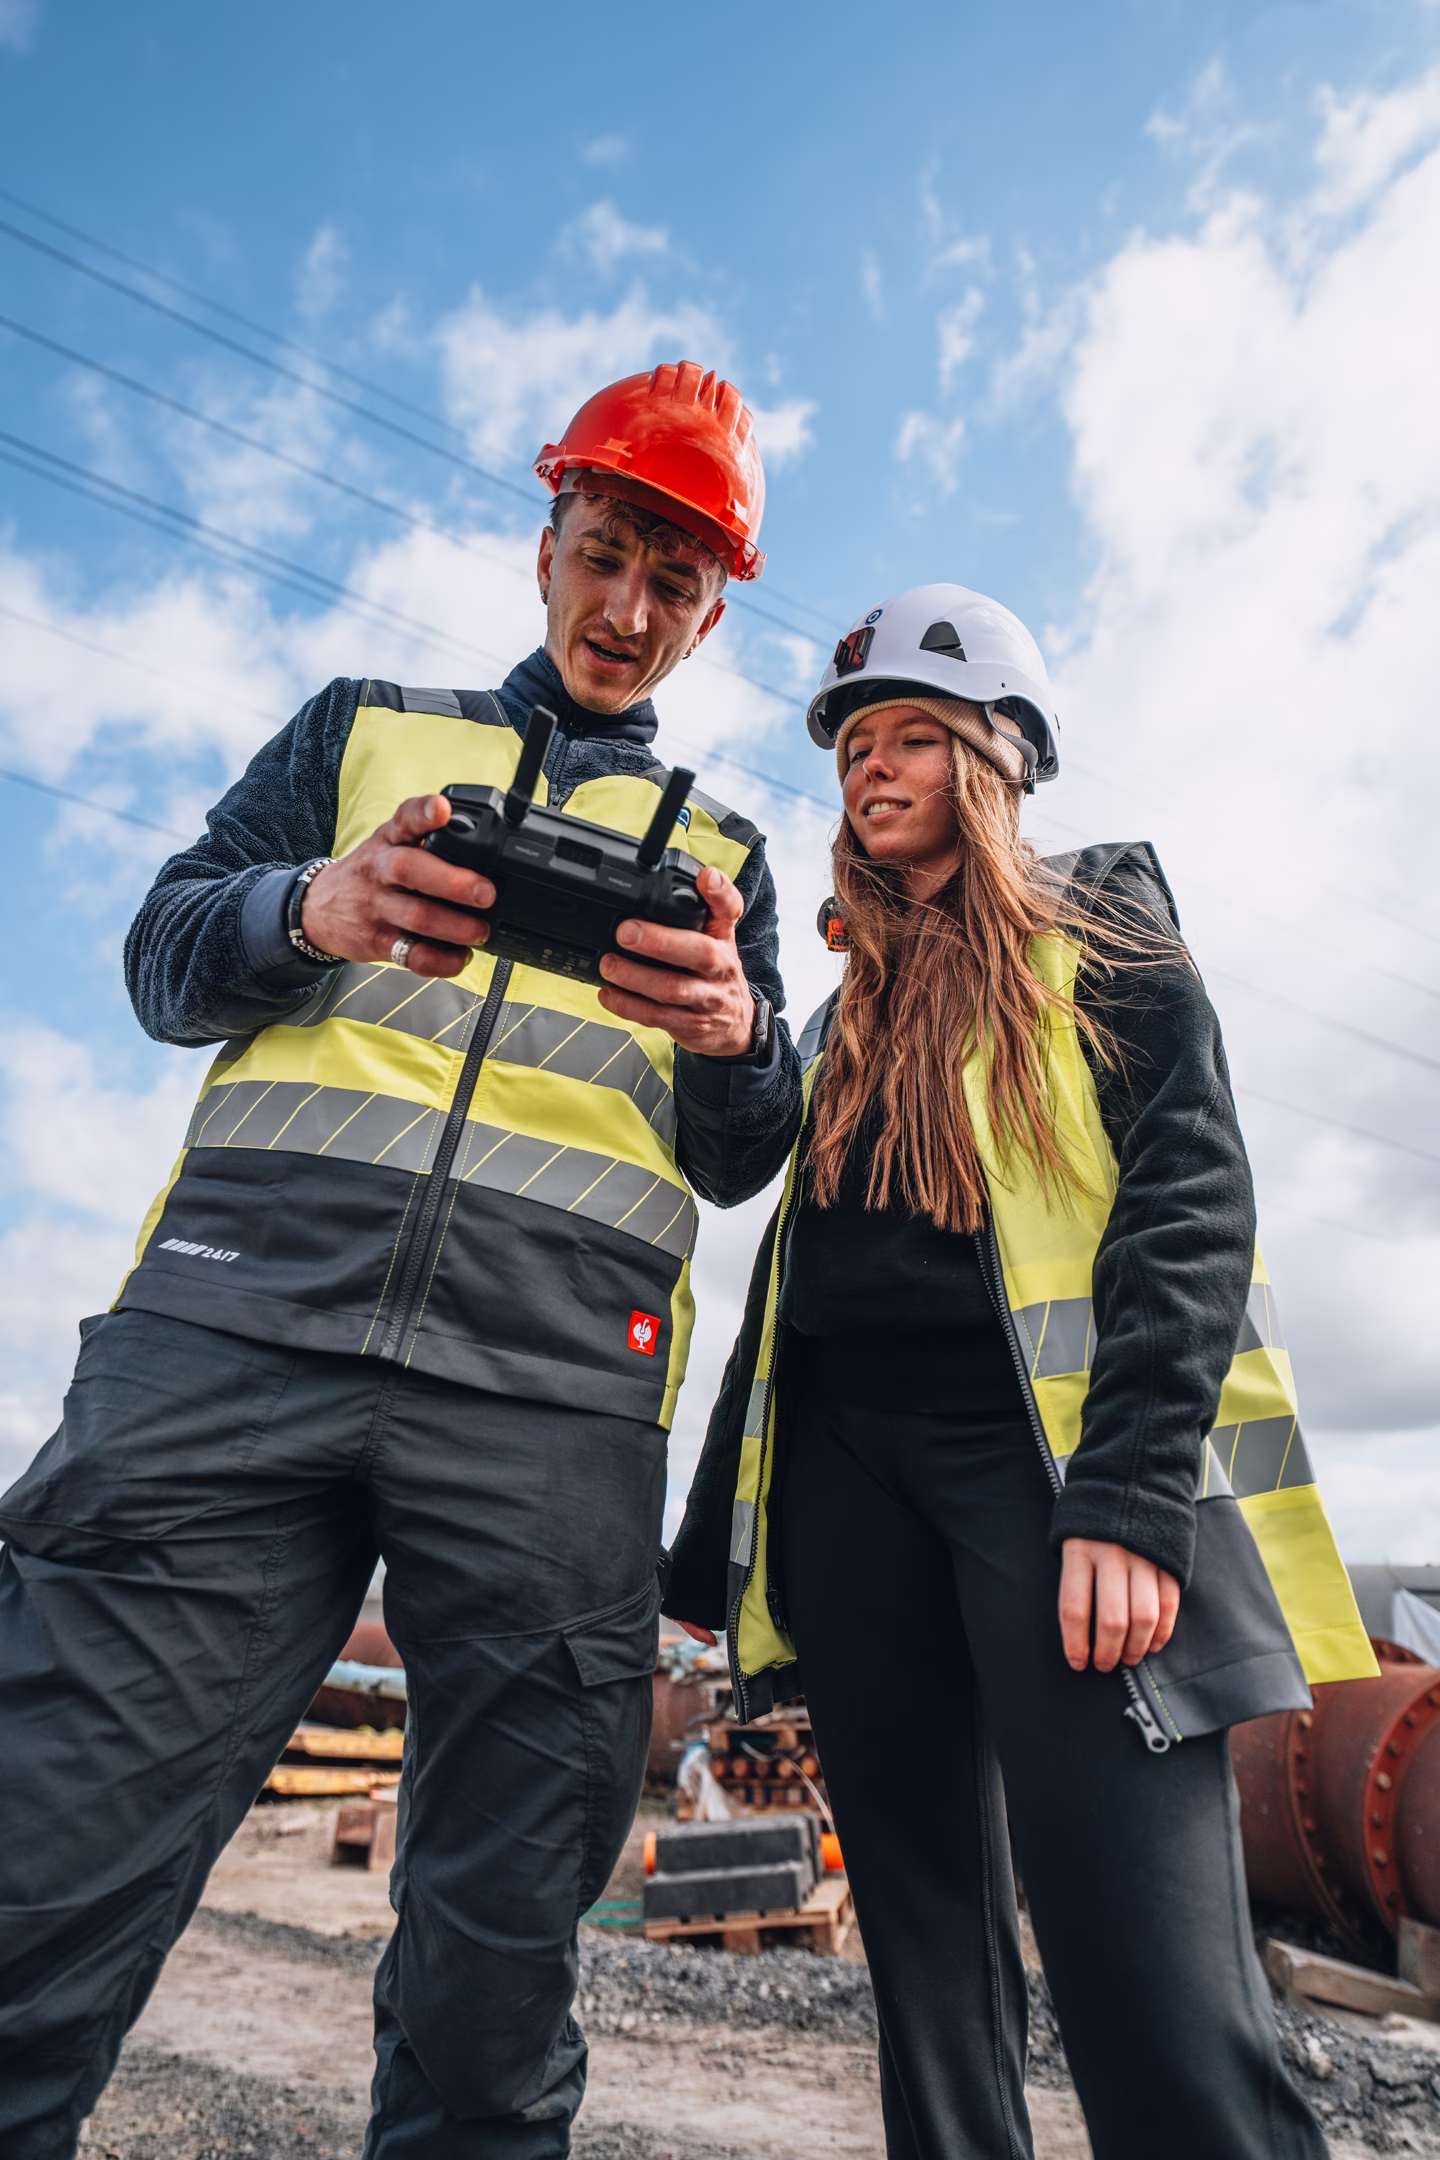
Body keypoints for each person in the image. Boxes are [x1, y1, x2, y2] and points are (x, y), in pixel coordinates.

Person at [0, 363, 803, 2159]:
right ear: (546, 547)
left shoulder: (728, 854)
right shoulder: (360, 732)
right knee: (35, 1869)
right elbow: (158, 957)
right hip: (230, 1347)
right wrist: (315, 907)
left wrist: (743, 1035)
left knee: (496, 1981)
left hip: (549, 1411)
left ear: (712, 611)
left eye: (673, 586)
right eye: (605, 557)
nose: (628, 611)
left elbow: (753, 1155)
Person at [665, 581, 1377, 2159]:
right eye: (856, 742)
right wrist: (715, 1545)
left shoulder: (1107, 937)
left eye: (916, 733)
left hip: (1045, 1486)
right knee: (927, 1973)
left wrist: (1129, 1498)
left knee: (1153, 1983)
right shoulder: (852, 1006)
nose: (873, 765)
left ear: (997, 761)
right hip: (850, 1493)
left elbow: (1191, 1212)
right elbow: (777, 1257)